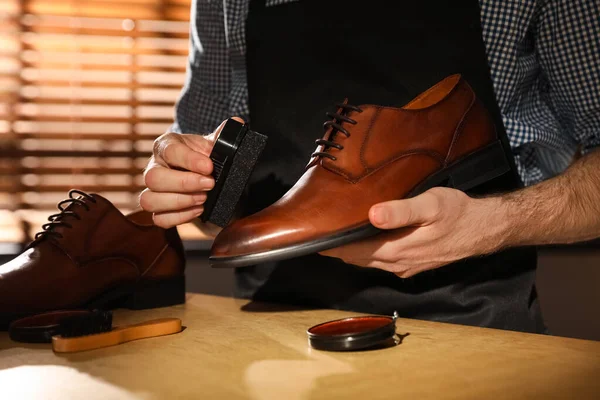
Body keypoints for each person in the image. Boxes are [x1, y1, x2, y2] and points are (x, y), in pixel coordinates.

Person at [140, 0, 600, 333]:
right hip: (270, 326)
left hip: (470, 323)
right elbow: (212, 209)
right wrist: (192, 184)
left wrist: (492, 224)